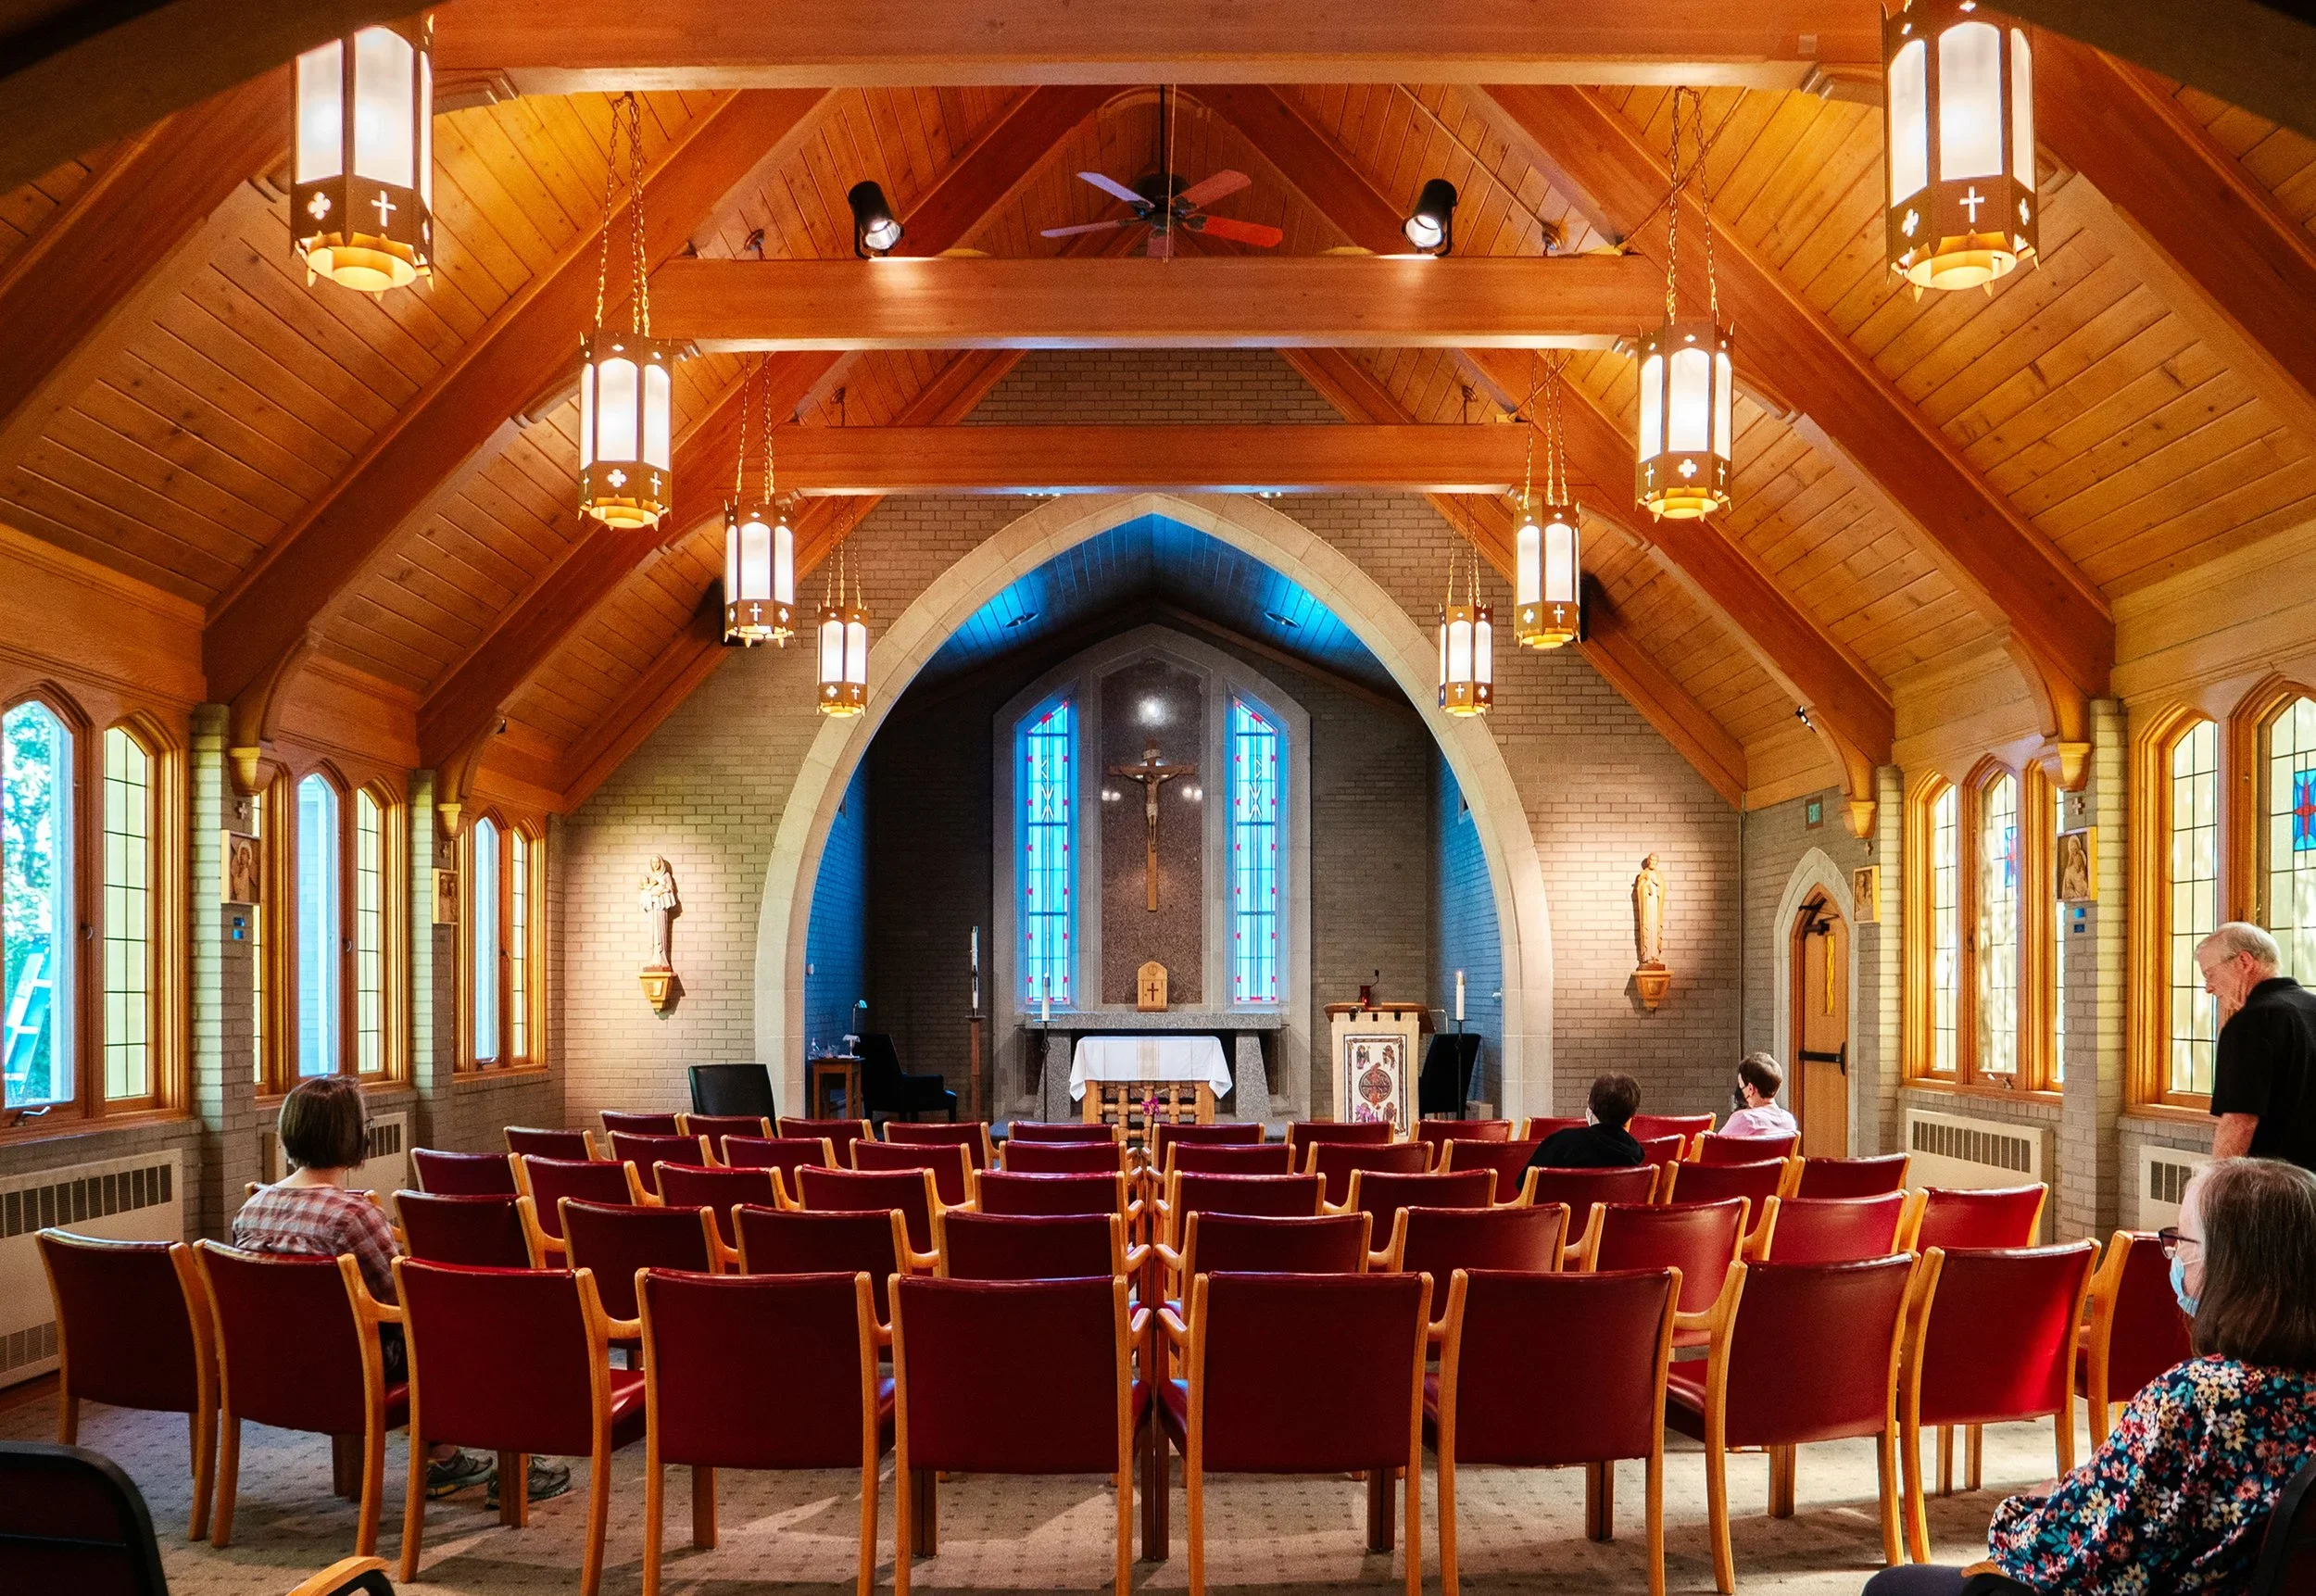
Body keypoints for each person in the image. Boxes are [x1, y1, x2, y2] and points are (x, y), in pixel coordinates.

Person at [1860, 1157, 2316, 1595]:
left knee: (1893, 1585)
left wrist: (2030, 1510)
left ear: (2232, 1267)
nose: (2172, 1257)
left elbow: (2076, 1564)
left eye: (2183, 1243)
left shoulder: (2196, 1399)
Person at [233, 1078, 570, 1506]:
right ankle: (517, 1469)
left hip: (272, 1368)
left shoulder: (252, 1209)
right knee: (488, 1325)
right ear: (357, 1137)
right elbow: (401, 1301)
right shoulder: (352, 1215)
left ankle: (444, 1457)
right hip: (357, 1367)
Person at [2200, 922, 2316, 1168]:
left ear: (2243, 961)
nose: (2209, 988)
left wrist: (2213, 1190)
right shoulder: (2312, 1008)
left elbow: (2240, 1121)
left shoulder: (2251, 1022)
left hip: (2277, 1187)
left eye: (2209, 974)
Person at [1527, 1074, 1646, 1171]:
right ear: (1632, 1114)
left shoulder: (1562, 1142)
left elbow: (1526, 1189)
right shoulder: (1636, 1154)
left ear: (1591, 1104)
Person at [1721, 1052, 1798, 1139]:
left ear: (1750, 1089)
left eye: (1741, 1086)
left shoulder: (1745, 1119)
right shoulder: (1789, 1121)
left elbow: (1715, 1146)